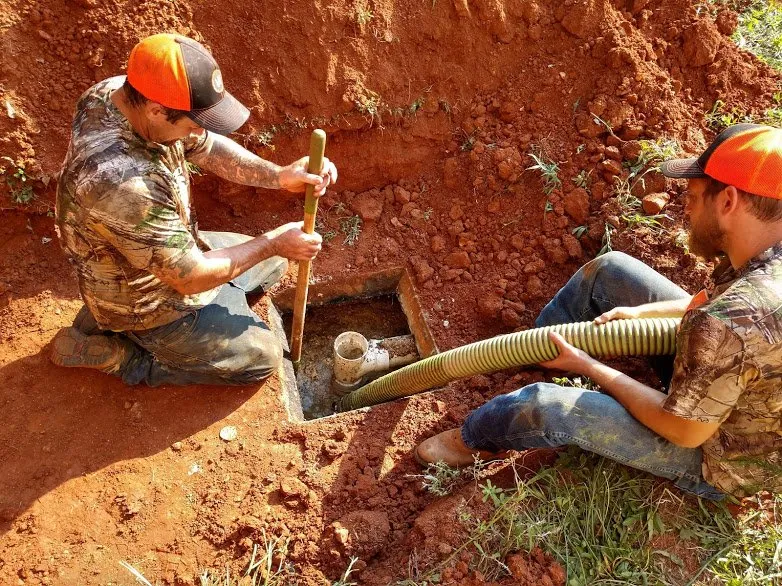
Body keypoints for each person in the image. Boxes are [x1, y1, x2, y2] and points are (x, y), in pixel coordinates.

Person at [416, 123, 782, 499]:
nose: (685, 207)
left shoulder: (732, 320)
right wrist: (640, 314)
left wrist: (588, 366)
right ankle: (535, 351)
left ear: (728, 201)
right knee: (609, 272)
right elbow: (708, 303)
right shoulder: (764, 249)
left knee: (543, 404)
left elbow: (683, 430)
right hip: (727, 372)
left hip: (716, 451)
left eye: (694, 196)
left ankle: (475, 439)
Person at [51, 33, 337, 386]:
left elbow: (205, 146)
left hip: (166, 247)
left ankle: (117, 320)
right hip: (147, 300)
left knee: (276, 263)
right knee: (263, 357)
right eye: (193, 123)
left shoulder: (119, 93)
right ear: (156, 110)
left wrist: (280, 176)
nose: (198, 131)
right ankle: (126, 357)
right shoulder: (123, 185)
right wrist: (274, 241)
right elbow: (191, 278)